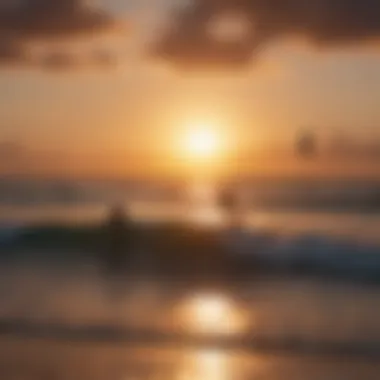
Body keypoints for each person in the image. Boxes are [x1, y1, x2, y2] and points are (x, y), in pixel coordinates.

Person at [102, 204, 135, 279]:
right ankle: (115, 269)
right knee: (116, 257)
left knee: (117, 257)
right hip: (116, 245)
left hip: (118, 245)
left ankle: (115, 269)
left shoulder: (117, 221)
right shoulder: (114, 221)